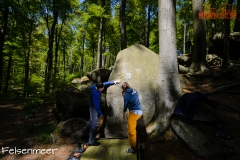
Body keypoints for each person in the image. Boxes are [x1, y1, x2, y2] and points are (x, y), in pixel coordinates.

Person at [80, 80, 120, 152]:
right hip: (93, 107)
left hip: (93, 106)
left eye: (103, 88)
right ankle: (91, 141)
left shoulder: (98, 86)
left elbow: (105, 83)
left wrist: (114, 82)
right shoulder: (95, 93)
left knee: (91, 121)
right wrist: (101, 114)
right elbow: (96, 106)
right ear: (98, 88)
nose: (103, 89)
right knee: (95, 124)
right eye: (101, 89)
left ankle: (84, 134)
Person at [122, 82, 143, 154]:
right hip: (139, 112)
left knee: (131, 131)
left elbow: (125, 105)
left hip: (133, 113)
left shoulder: (126, 95)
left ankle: (134, 149)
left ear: (123, 89)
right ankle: (134, 144)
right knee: (134, 129)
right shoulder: (135, 91)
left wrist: (123, 112)